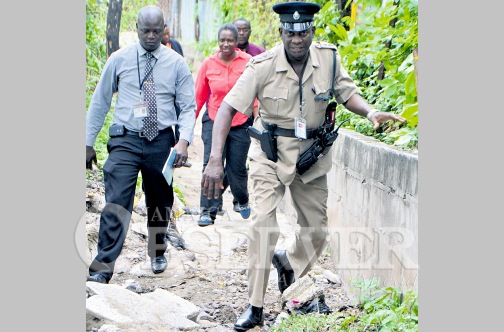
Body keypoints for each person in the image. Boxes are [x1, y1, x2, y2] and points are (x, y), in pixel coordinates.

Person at [200, 2, 406, 330]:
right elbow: (225, 110)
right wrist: (214, 160)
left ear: (312, 31)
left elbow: (346, 94)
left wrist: (369, 112)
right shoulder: (261, 65)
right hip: (269, 154)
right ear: (281, 32)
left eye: (304, 31)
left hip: (311, 157)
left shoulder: (329, 59)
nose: (297, 38)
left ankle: (289, 263)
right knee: (263, 227)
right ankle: (255, 307)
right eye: (291, 32)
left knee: (318, 230)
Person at [85, 5, 195, 284]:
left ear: (164, 30)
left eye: (156, 31)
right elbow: (100, 102)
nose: (150, 36)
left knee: (160, 199)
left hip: (160, 141)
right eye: (145, 30)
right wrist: (87, 142)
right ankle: (102, 267)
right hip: (125, 139)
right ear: (136, 29)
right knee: (117, 200)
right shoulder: (119, 59)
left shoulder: (176, 63)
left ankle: (157, 249)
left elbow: (187, 107)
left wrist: (183, 142)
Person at [194, 23, 257, 227]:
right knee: (211, 163)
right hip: (213, 121)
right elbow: (198, 97)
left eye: (230, 40)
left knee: (236, 167)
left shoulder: (248, 62)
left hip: (240, 122)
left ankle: (241, 198)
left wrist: (258, 121)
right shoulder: (209, 64)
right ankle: (207, 209)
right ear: (218, 41)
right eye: (223, 40)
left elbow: (255, 95)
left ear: (237, 41)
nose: (226, 44)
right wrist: (185, 130)